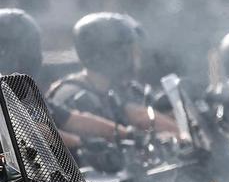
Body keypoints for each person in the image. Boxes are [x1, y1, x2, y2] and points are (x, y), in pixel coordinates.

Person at [0, 8, 135, 149]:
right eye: (26, 47)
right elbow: (31, 129)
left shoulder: (20, 92)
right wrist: (81, 143)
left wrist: (124, 134)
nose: (32, 54)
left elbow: (70, 119)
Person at [47, 12, 178, 136]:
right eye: (132, 50)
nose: (138, 55)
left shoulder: (130, 90)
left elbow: (153, 120)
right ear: (111, 54)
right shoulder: (73, 97)